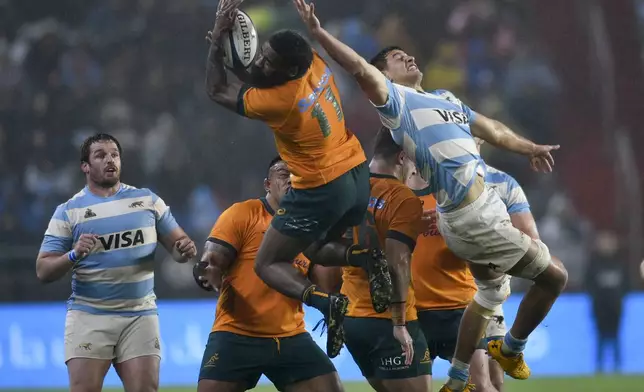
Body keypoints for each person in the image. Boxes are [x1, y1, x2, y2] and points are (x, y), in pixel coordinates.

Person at [292, 3, 568, 390]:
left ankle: (456, 379)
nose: (406, 55)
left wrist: (529, 147)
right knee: (555, 276)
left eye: (405, 53)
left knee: (489, 294)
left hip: (474, 212)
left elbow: (491, 128)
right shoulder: (397, 105)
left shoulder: (446, 99)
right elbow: (357, 66)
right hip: (469, 214)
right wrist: (319, 34)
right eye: (394, 58)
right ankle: (512, 347)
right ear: (383, 77)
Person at [204, 0, 391, 357]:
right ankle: (368, 258)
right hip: (354, 173)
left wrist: (217, 43)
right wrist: (235, 49)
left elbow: (217, 91)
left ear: (288, 69)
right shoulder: (314, 64)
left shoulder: (282, 101)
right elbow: (262, 79)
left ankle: (325, 303)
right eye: (263, 54)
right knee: (313, 248)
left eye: (268, 60)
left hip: (322, 186)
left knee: (267, 262)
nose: (260, 62)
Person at [36, 133, 197, 392]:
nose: (110, 160)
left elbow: (178, 248)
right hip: (89, 316)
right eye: (100, 155)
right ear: (85, 166)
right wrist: (74, 254)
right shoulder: (68, 211)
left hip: (139, 315)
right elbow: (43, 270)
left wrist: (184, 249)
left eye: (114, 154)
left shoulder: (148, 201)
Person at [193, 156, 343, 392]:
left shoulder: (311, 226)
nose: (292, 180)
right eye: (284, 175)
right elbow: (212, 259)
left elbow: (327, 283)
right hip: (237, 332)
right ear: (267, 184)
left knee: (332, 389)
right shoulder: (243, 213)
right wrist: (209, 273)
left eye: (298, 175)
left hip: (290, 336)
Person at [341, 129, 431, 392]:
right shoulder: (402, 197)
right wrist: (399, 323)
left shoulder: (348, 187)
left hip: (352, 318)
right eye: (414, 163)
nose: (414, 171)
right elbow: (397, 262)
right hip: (387, 320)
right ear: (402, 158)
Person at [585, 230, 627, 374]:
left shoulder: (620, 264)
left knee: (615, 336)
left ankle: (617, 366)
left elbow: (627, 285)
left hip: (615, 307)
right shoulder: (594, 264)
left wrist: (619, 297)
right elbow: (588, 284)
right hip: (599, 307)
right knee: (600, 337)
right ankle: (599, 366)